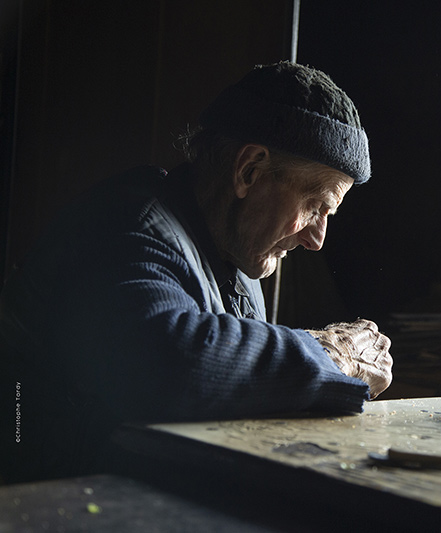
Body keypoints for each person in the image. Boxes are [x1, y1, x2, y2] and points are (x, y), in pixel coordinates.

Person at [0, 62, 393, 483]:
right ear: (249, 170)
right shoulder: (128, 223)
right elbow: (173, 362)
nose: (317, 239)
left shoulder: (234, 260)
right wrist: (331, 356)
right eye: (315, 206)